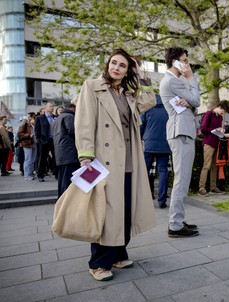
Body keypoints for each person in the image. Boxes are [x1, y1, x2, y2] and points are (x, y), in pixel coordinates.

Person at [75, 48, 157, 281]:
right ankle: (98, 263)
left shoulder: (128, 94)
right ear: (108, 64)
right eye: (114, 63)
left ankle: (119, 254)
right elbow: (84, 123)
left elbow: (150, 100)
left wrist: (142, 76)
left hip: (129, 160)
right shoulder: (92, 87)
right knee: (105, 212)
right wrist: (86, 156)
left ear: (127, 71)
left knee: (124, 210)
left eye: (123, 65)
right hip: (104, 160)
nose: (116, 68)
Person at [160, 47, 200, 238]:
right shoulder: (172, 81)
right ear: (175, 61)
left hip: (182, 132)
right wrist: (191, 78)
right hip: (180, 133)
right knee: (181, 180)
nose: (187, 64)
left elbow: (193, 104)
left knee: (183, 179)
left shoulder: (174, 81)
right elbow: (196, 100)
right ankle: (175, 225)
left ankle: (178, 220)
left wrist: (191, 103)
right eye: (184, 60)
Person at [140, 94, 172, 208]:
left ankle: (144, 200)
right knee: (163, 172)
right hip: (165, 145)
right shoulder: (168, 109)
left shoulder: (147, 109)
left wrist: (140, 138)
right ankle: (162, 200)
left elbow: (141, 126)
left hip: (148, 145)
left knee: (144, 172)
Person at [198, 100, 229, 196]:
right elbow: (203, 129)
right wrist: (215, 129)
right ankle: (201, 188)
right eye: (223, 111)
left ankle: (213, 187)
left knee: (214, 166)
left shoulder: (219, 117)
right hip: (208, 143)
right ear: (220, 107)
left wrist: (221, 130)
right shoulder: (208, 114)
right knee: (206, 165)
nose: (223, 113)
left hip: (216, 142)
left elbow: (216, 130)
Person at [52, 103, 80, 197]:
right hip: (70, 153)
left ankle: (61, 202)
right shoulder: (69, 117)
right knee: (68, 182)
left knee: (62, 180)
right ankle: (66, 204)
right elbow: (73, 131)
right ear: (73, 109)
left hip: (61, 154)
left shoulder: (58, 119)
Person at [34, 102, 56, 182]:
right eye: (50, 106)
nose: (52, 108)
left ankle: (56, 174)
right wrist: (40, 141)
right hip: (44, 141)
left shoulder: (55, 117)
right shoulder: (39, 118)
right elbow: (37, 131)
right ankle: (40, 175)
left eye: (53, 106)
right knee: (42, 159)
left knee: (55, 158)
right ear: (45, 108)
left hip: (54, 141)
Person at [18, 113, 37, 180]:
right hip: (27, 144)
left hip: (34, 143)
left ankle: (31, 174)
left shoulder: (34, 125)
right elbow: (19, 134)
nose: (32, 119)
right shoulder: (25, 125)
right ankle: (27, 175)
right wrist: (28, 135)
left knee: (33, 160)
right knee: (28, 159)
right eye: (30, 117)